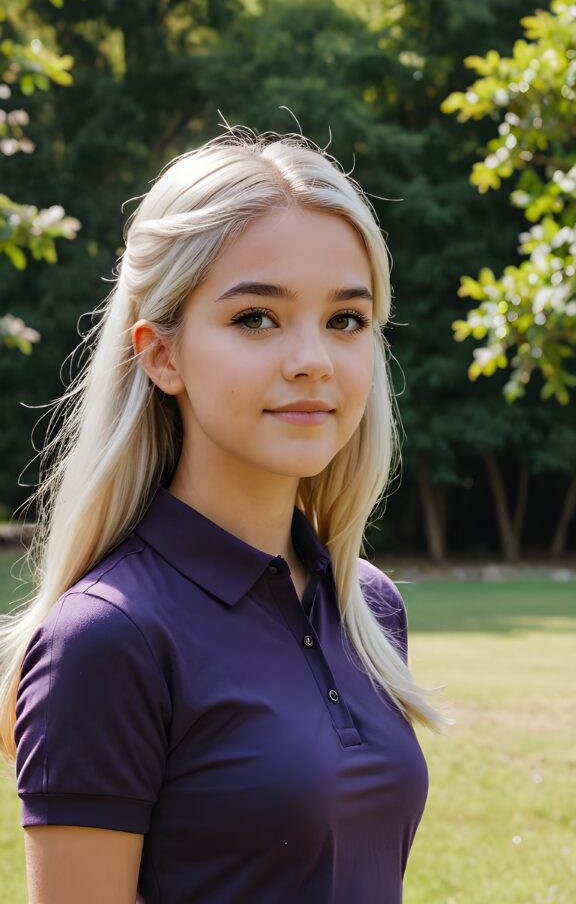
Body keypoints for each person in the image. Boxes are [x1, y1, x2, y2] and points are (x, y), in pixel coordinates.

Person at [0, 126, 451, 904]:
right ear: (161, 355)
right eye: (256, 318)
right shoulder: (107, 640)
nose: (312, 358)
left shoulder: (368, 605)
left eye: (346, 319)